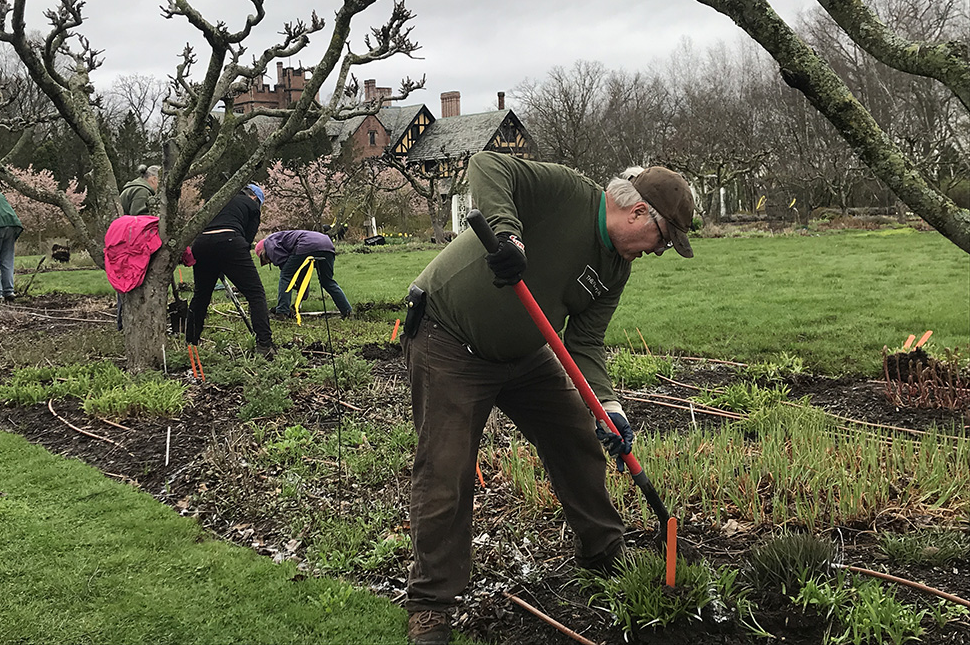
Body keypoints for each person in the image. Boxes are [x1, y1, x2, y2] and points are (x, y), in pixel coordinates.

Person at [400, 151, 694, 645]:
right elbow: (487, 164)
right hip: (448, 337)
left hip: (525, 353)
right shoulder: (567, 191)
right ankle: (431, 604)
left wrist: (610, 407)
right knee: (445, 471)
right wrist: (508, 236)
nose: (660, 250)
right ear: (639, 212)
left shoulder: (616, 270)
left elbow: (584, 344)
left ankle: (603, 550)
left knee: (577, 438)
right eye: (663, 239)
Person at [186, 184, 275, 359]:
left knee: (201, 295)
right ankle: (264, 345)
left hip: (201, 243)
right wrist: (226, 262)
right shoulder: (252, 206)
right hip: (230, 240)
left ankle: (191, 343)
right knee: (255, 293)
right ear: (255, 198)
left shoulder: (217, 199)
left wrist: (216, 264)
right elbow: (247, 239)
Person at [255, 229, 352, 319]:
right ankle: (347, 311)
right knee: (327, 281)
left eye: (266, 260)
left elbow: (285, 266)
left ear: (263, 253)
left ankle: (282, 312)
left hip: (306, 245)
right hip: (327, 244)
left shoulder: (269, 242)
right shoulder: (282, 239)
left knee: (286, 277)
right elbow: (303, 276)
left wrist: (289, 275)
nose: (269, 262)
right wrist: (300, 298)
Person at [116, 165, 160, 329]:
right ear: (153, 179)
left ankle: (124, 324)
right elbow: (139, 221)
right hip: (131, 247)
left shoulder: (132, 189)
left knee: (124, 285)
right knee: (131, 284)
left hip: (122, 243)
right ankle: (128, 325)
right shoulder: (142, 192)